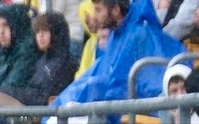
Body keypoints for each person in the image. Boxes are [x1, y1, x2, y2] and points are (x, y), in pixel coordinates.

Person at [53, 0, 182, 106]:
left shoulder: (137, 34)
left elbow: (133, 83)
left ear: (115, 10)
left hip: (137, 107)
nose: (95, 16)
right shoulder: (116, 35)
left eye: (98, 10)